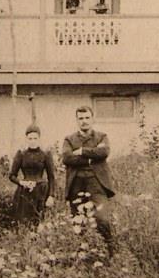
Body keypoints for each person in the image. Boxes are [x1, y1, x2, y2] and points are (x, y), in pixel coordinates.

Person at [63, 105, 116, 255]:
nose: (84, 121)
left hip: (97, 184)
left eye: (87, 118)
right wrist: (90, 160)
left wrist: (82, 151)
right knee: (78, 222)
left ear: (92, 119)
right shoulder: (69, 139)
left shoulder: (101, 136)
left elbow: (104, 152)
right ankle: (82, 254)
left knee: (102, 218)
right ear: (76, 121)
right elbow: (67, 158)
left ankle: (110, 251)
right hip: (76, 184)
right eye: (81, 118)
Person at [8, 124, 56, 227]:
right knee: (23, 224)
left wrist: (51, 195)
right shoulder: (21, 154)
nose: (33, 141)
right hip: (24, 193)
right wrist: (22, 182)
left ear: (39, 138)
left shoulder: (45, 155)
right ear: (26, 139)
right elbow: (12, 175)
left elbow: (51, 177)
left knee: (40, 222)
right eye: (30, 138)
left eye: (35, 138)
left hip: (41, 191)